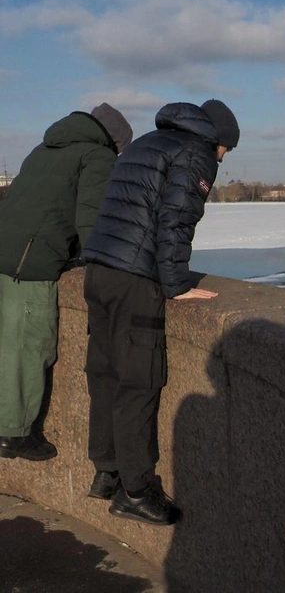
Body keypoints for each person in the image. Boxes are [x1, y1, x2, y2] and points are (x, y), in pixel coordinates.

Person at [81, 99, 239, 526]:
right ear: (218, 138)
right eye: (227, 150)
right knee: (139, 382)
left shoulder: (148, 143)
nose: (223, 158)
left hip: (99, 272)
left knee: (106, 373)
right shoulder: (196, 153)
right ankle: (136, 491)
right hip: (135, 280)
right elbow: (176, 220)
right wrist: (177, 285)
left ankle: (107, 472)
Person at [0, 104, 133, 461]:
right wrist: (100, 262)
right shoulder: (97, 156)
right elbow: (92, 216)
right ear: (114, 141)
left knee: (7, 344)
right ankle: (13, 434)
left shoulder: (44, 148)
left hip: (5, 254)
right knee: (30, 348)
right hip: (31, 263)